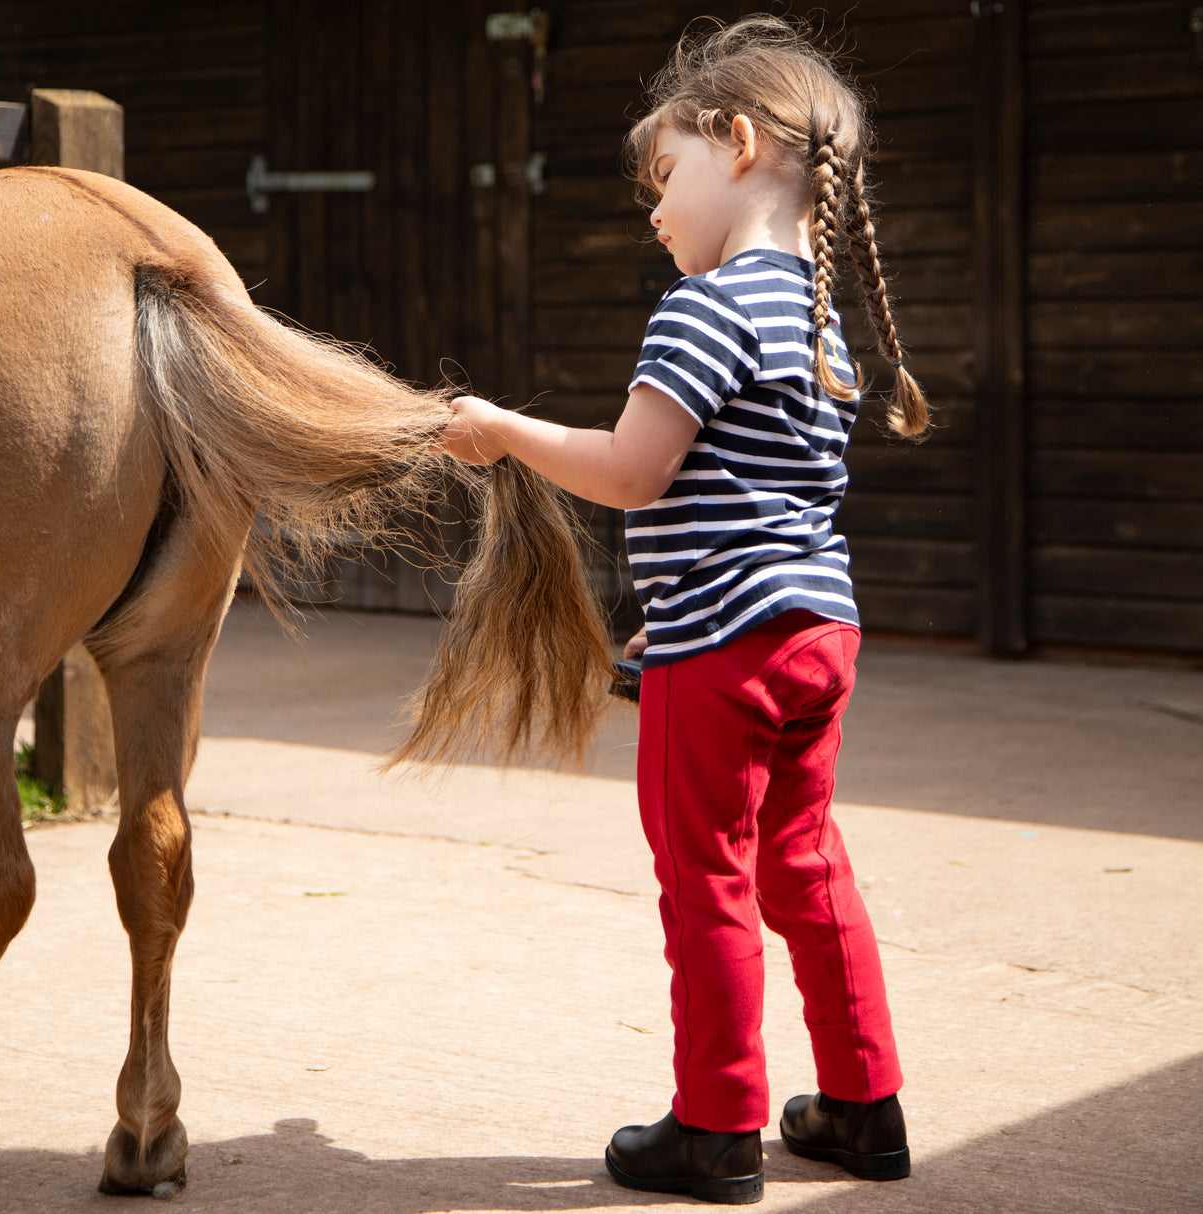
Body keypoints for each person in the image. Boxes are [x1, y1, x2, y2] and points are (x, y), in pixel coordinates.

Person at [442, 13, 928, 1204]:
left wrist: (501, 428)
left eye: (667, 174)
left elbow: (626, 471)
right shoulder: (820, 332)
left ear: (741, 142)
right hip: (818, 633)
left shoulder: (703, 310)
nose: (654, 210)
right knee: (804, 865)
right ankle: (864, 1105)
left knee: (703, 875)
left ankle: (715, 1125)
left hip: (717, 646)